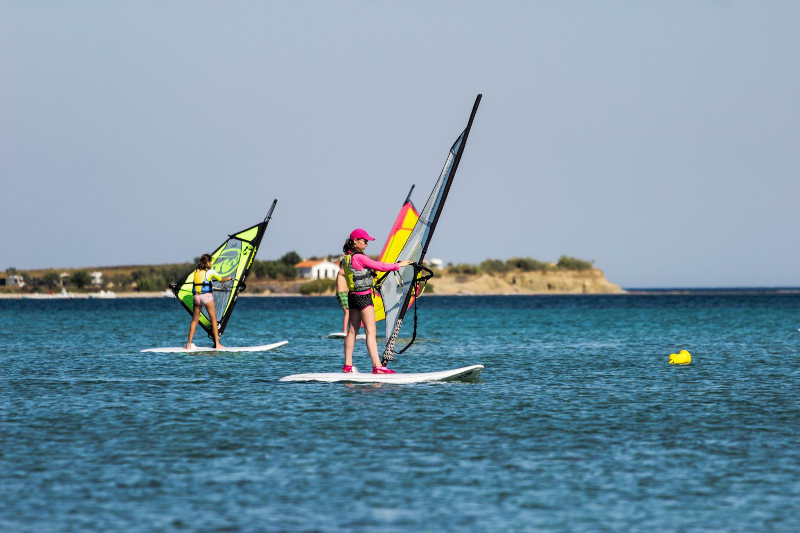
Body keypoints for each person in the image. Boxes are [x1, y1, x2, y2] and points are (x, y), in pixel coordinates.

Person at [341, 228, 412, 374]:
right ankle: (377, 366)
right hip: (364, 297)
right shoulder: (359, 257)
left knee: (352, 332)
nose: (367, 244)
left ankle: (348, 366)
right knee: (371, 332)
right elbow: (379, 266)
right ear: (355, 241)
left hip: (353, 297)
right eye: (364, 241)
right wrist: (400, 265)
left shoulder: (346, 257)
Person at [185, 254, 232, 349]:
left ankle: (188, 344)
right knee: (214, 320)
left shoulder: (196, 270)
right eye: (210, 261)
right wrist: (229, 278)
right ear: (207, 262)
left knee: (195, 320)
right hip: (206, 296)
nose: (211, 263)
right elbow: (221, 280)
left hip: (196, 297)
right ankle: (218, 344)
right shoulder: (210, 272)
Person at [335, 249, 350, 335]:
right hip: (342, 294)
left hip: (346, 294)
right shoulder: (341, 271)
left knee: (351, 312)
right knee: (347, 312)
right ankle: (344, 330)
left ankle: (352, 330)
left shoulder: (345, 272)